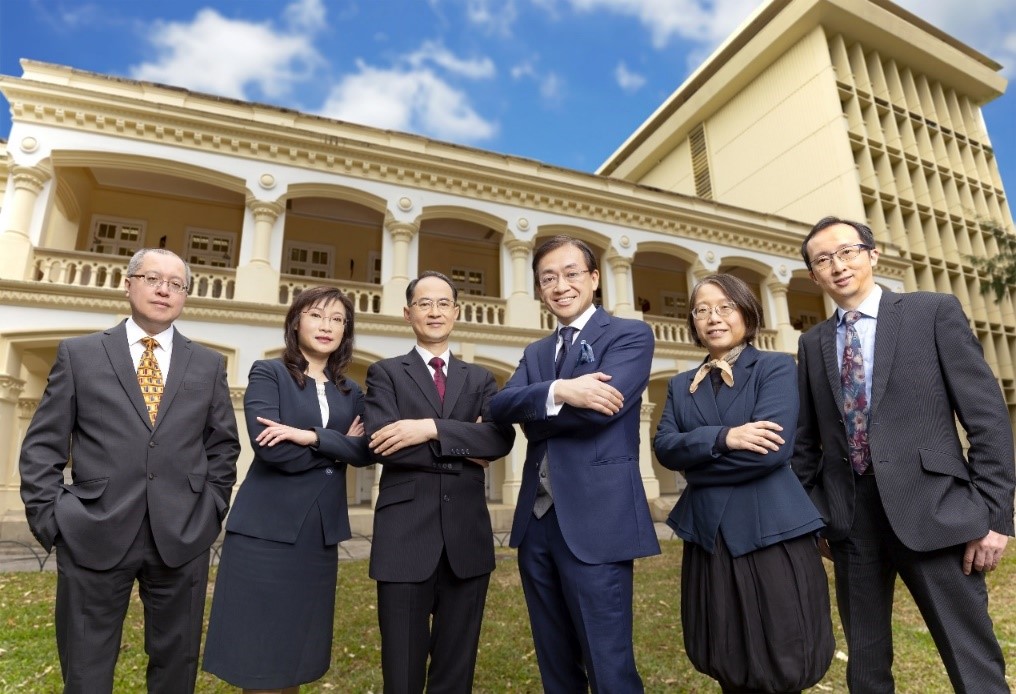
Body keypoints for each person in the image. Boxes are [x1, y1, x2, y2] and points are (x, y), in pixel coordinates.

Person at [794, 216, 1015, 692]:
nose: (838, 265)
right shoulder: (812, 344)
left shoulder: (931, 312)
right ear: (813, 275)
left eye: (848, 251)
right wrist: (819, 513)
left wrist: (996, 518)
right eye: (823, 260)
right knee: (866, 669)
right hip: (852, 524)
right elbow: (805, 443)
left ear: (872, 255)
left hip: (937, 513)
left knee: (972, 660)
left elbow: (988, 419)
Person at [18, 248, 240, 693]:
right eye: (152, 277)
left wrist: (210, 510)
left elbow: (223, 449)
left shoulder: (209, 364)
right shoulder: (79, 355)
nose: (164, 289)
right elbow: (43, 445)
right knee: (85, 667)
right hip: (92, 533)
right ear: (128, 283)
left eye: (176, 284)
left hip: (181, 537)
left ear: (185, 296)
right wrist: (53, 519)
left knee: (176, 665)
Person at [489, 235, 660, 693]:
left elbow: (599, 411)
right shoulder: (536, 353)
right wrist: (560, 391)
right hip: (537, 524)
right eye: (548, 278)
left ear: (594, 278)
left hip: (598, 523)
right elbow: (500, 406)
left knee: (609, 666)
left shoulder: (629, 335)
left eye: (570, 273)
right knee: (555, 665)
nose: (560, 285)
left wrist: (537, 415)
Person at [653, 273, 833, 693]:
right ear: (693, 323)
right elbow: (664, 448)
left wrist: (696, 466)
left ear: (746, 313)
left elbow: (771, 452)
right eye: (701, 310)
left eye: (724, 307)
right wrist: (726, 438)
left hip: (769, 531)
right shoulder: (681, 386)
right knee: (725, 650)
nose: (712, 318)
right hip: (709, 537)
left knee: (782, 653)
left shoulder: (774, 367)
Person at [202, 286, 371, 693]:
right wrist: (336, 444)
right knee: (260, 657)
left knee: (296, 654)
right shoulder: (268, 372)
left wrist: (310, 437)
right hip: (266, 534)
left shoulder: (352, 392)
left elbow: (367, 451)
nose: (327, 326)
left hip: (317, 536)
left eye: (337, 319)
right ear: (296, 321)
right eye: (317, 315)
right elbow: (271, 449)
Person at [363, 270, 515, 694]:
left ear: (456, 311)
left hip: (467, 536)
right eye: (424, 303)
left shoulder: (481, 378)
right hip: (404, 537)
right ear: (408, 313)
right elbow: (382, 443)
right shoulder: (385, 373)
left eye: (443, 303)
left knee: (456, 668)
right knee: (403, 670)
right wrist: (466, 448)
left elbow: (500, 438)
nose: (434, 311)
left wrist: (429, 428)